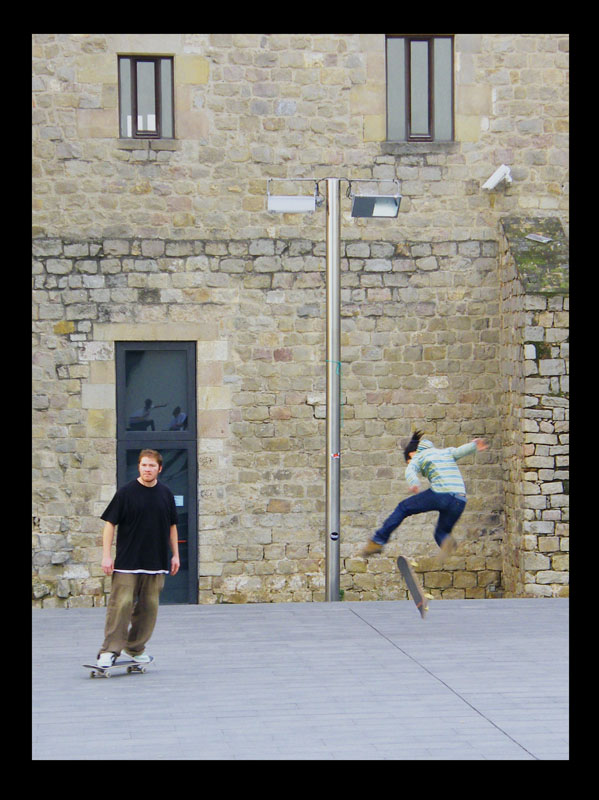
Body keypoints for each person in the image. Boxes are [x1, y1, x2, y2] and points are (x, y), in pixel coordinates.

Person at [96, 449, 180, 668]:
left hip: (156, 563)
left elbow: (172, 526)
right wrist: (106, 556)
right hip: (127, 562)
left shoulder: (166, 494)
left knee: (149, 608)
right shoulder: (126, 493)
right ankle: (109, 650)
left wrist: (175, 556)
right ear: (138, 467)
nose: (147, 469)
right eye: (144, 465)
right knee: (121, 605)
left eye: (152, 466)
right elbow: (109, 524)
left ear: (159, 469)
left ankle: (135, 648)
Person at [362, 430, 488, 557]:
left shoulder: (418, 456)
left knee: (403, 507)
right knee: (441, 532)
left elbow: (410, 470)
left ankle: (378, 541)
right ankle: (448, 544)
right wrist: (474, 445)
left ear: (411, 454)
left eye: (408, 461)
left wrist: (414, 483)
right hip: (460, 500)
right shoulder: (445, 452)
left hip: (442, 493)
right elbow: (459, 451)